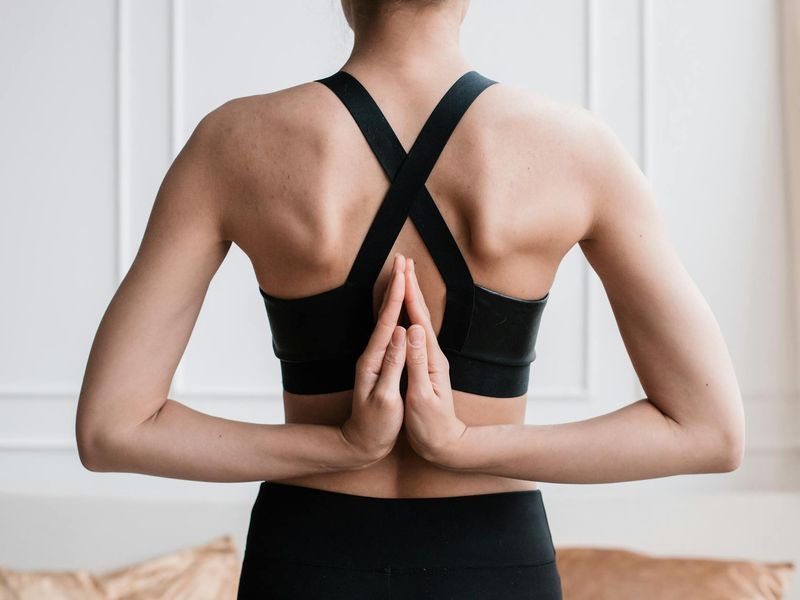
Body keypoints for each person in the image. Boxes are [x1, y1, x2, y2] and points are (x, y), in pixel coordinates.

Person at [75, 0, 745, 598]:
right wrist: (462, 446)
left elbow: (113, 430)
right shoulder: (575, 149)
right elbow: (708, 431)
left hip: (307, 556)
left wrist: (340, 444)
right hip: (495, 562)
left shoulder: (235, 143)